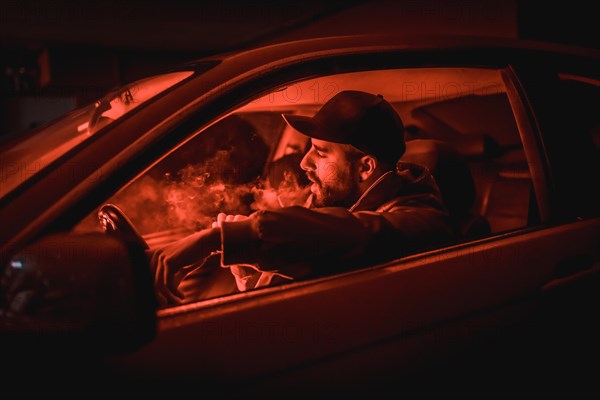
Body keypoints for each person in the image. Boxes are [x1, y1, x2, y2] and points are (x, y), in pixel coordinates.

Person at [148, 90, 455, 305]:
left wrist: (219, 240)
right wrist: (249, 275)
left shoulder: (421, 220)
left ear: (365, 168)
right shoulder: (343, 201)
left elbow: (354, 234)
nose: (304, 163)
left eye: (320, 152)